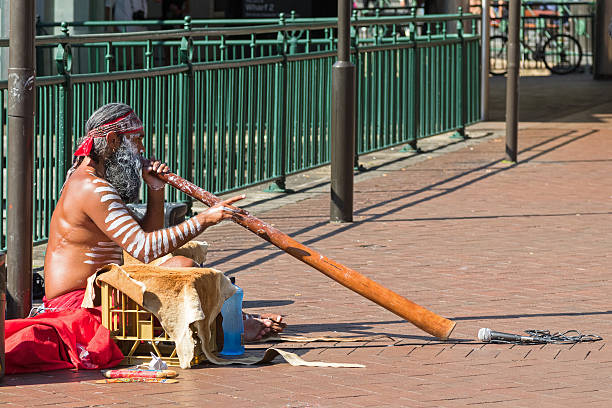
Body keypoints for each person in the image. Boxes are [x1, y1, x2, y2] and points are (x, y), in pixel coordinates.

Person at [43, 102, 284, 342]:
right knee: (182, 268)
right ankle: (229, 328)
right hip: (79, 305)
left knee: (179, 264)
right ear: (114, 139)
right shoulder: (91, 187)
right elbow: (145, 249)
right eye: (136, 140)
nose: (142, 148)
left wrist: (156, 190)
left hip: (99, 294)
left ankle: (233, 321)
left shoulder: (95, 181)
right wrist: (205, 219)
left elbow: (146, 243)